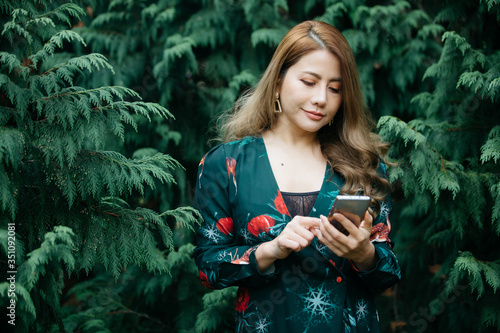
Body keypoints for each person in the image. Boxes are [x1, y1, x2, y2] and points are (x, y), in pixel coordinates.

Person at [193, 20, 401, 333]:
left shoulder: (363, 165)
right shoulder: (226, 165)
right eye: (309, 81)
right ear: (277, 80)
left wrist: (365, 253)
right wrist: (269, 250)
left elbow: (388, 275)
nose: (321, 98)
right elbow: (208, 269)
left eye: (335, 88)